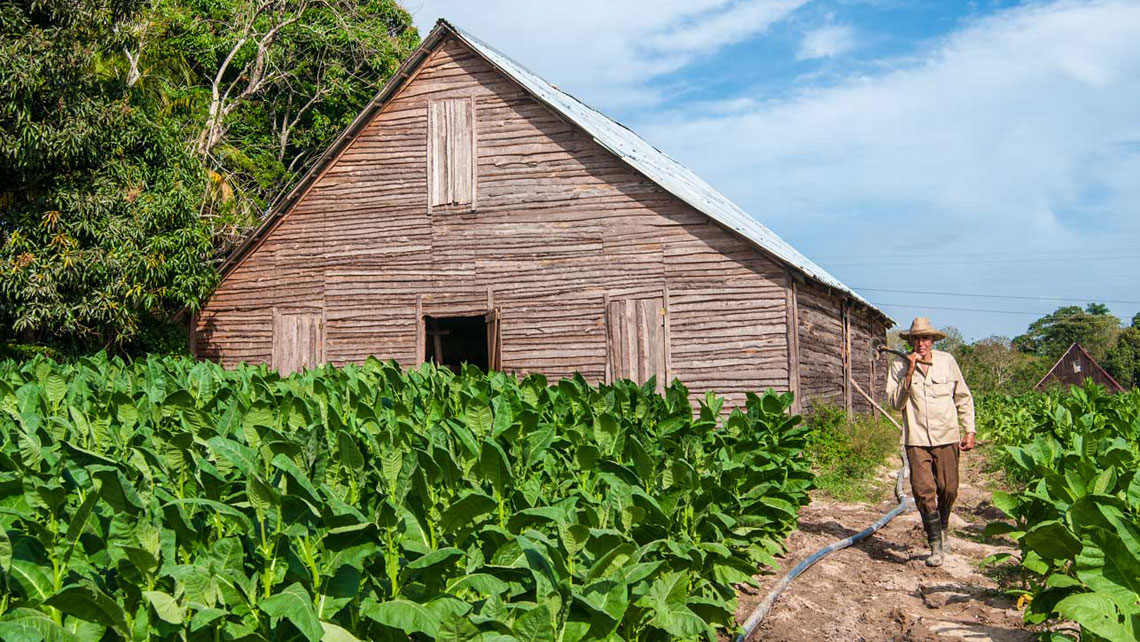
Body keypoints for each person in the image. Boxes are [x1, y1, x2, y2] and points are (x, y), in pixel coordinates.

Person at [886, 317, 975, 567]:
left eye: (925, 338)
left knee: (949, 488)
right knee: (923, 491)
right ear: (910, 341)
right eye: (916, 339)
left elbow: (963, 397)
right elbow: (894, 403)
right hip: (916, 438)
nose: (920, 343)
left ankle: (943, 525)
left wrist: (970, 430)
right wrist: (909, 373)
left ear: (933, 341)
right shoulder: (899, 365)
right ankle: (935, 544)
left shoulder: (947, 362)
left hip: (947, 435)